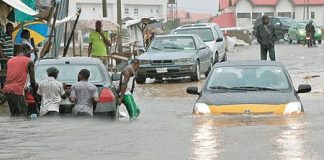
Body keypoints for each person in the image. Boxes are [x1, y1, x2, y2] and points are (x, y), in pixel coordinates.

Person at [3, 44, 36, 116]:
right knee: (23, 115)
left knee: (14, 114)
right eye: (30, 52)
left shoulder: (10, 60)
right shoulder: (29, 61)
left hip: (7, 90)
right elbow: (32, 81)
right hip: (17, 91)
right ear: (26, 51)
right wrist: (35, 92)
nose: (30, 54)